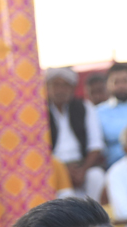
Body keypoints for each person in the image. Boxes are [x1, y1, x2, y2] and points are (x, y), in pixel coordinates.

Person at [45, 67, 106, 202]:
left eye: (65, 85)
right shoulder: (40, 110)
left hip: (81, 165)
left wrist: (83, 170)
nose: (60, 90)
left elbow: (96, 145)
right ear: (47, 87)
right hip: (54, 167)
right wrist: (64, 170)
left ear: (73, 88)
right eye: (56, 85)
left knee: (96, 176)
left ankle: (94, 214)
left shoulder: (84, 107)